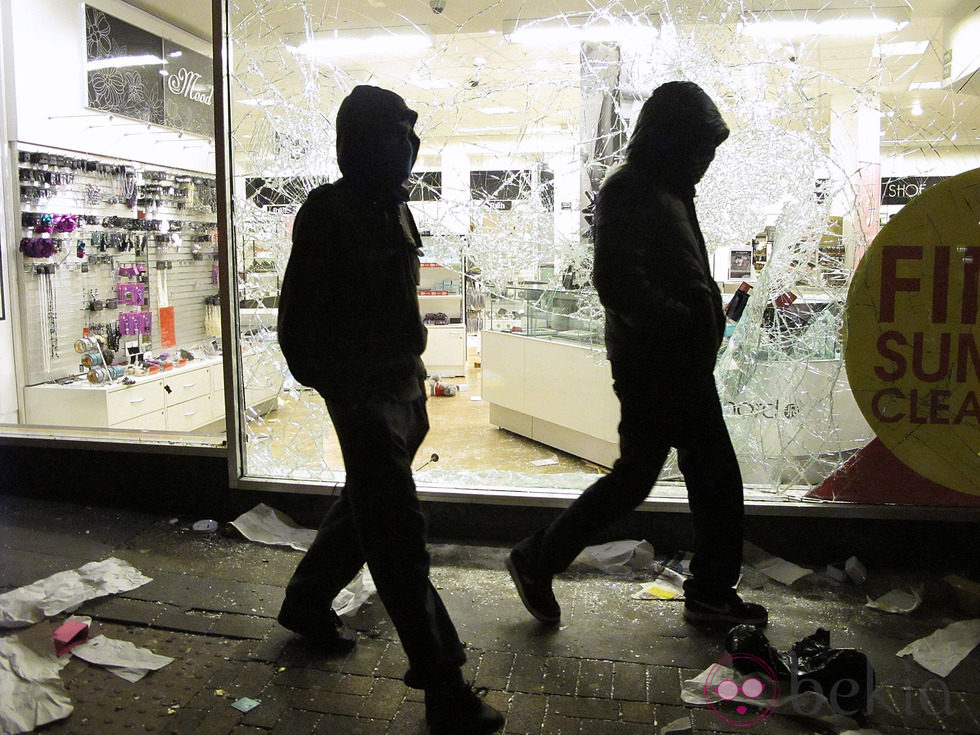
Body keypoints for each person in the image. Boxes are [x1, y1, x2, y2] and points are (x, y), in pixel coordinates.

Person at [275, 85, 504, 735]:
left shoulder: (399, 211)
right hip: (365, 398)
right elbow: (298, 329)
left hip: (404, 390)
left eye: (413, 133)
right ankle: (444, 681)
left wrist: (414, 382)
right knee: (399, 538)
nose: (409, 145)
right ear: (360, 142)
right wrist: (346, 394)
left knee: (366, 509)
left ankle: (306, 600)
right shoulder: (328, 213)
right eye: (397, 133)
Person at [507, 81, 767, 629]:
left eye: (710, 151)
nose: (705, 161)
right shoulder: (633, 189)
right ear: (669, 140)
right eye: (698, 148)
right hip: (660, 364)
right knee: (708, 477)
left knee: (644, 477)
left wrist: (698, 319)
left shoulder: (666, 189)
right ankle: (708, 590)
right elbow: (618, 283)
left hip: (674, 362)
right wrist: (686, 321)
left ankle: (540, 558)